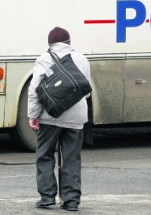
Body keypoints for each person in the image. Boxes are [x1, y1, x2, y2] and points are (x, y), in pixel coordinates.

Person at [28, 26, 91, 212]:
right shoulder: (81, 58)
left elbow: (34, 90)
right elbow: (85, 89)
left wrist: (33, 115)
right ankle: (71, 201)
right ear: (69, 42)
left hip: (50, 116)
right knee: (71, 157)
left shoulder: (44, 59)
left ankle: (47, 197)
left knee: (45, 155)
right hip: (77, 116)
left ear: (50, 44)